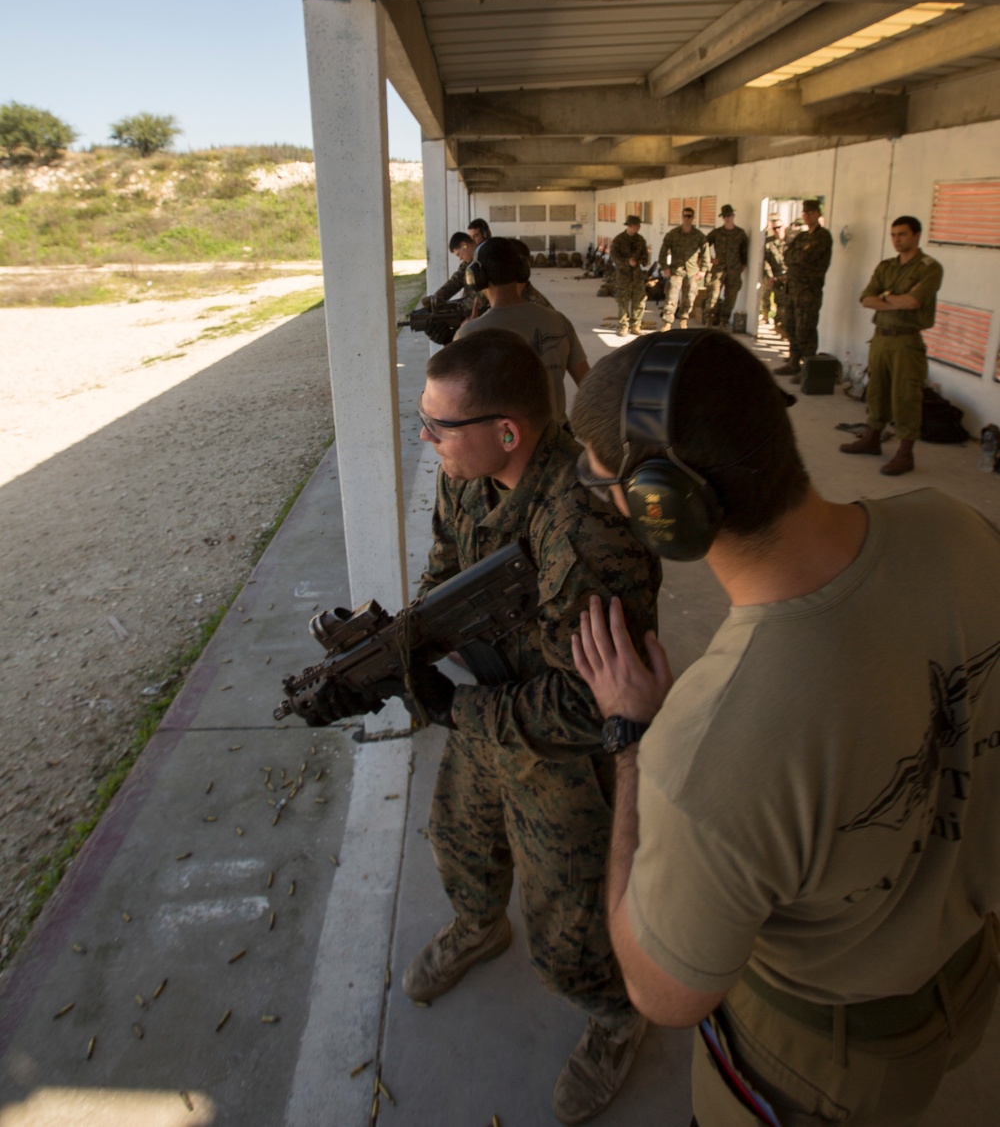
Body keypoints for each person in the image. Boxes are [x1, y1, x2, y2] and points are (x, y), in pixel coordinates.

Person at [567, 328, 1000, 1127]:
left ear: (664, 508)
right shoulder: (961, 527)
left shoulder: (705, 753)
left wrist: (632, 740)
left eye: (607, 489)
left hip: (824, 1058)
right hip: (969, 976)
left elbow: (663, 993)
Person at [403, 329, 663, 1124]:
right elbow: (447, 568)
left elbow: (599, 703)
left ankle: (618, 1015)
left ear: (506, 432)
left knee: (571, 934)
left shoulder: (583, 526)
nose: (426, 438)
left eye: (439, 427)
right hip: (494, 705)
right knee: (459, 838)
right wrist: (405, 640)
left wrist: (460, 709)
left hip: (564, 752)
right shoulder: (467, 477)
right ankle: (479, 927)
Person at [841, 216, 944, 477]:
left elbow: (914, 303)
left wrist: (884, 297)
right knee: (877, 390)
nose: (897, 240)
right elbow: (866, 299)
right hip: (881, 338)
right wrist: (893, 298)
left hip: (907, 340)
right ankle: (872, 438)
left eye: (903, 234)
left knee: (906, 396)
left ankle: (905, 452)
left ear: (917, 235)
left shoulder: (929, 268)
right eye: (894, 235)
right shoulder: (886, 266)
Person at [454, 238, 589, 426]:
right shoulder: (559, 321)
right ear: (522, 271)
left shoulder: (469, 335)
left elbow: (455, 403)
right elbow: (589, 386)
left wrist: (459, 338)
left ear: (477, 277)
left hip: (503, 448)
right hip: (556, 441)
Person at [776, 199, 833, 379]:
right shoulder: (802, 236)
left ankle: (808, 368)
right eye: (805, 213)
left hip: (808, 291)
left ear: (818, 214)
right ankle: (793, 362)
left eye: (811, 212)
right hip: (793, 288)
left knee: (806, 329)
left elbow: (803, 258)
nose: (807, 216)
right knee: (791, 326)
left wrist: (796, 257)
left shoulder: (822, 236)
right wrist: (796, 257)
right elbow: (787, 256)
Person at [657, 207, 710, 331]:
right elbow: (663, 251)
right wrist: (665, 267)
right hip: (676, 271)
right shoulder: (673, 234)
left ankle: (683, 320)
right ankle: (668, 322)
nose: (687, 218)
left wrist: (703, 270)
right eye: (685, 216)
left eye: (689, 216)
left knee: (689, 298)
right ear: (682, 217)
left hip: (692, 272)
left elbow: (705, 251)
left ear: (693, 218)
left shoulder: (698, 235)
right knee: (671, 297)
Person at [704, 205, 748, 329]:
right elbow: (704, 245)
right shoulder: (717, 233)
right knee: (713, 295)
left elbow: (744, 251)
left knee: (731, 297)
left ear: (733, 216)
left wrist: (743, 265)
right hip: (718, 270)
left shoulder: (740, 233)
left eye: (729, 215)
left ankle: (724, 321)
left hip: (734, 270)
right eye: (725, 216)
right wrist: (711, 259)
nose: (727, 218)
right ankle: (709, 320)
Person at [609, 214, 649, 336]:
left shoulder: (641, 240)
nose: (638, 227)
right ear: (629, 226)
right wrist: (627, 262)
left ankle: (636, 325)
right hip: (623, 275)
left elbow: (645, 257)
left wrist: (641, 262)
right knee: (623, 301)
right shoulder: (619, 240)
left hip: (637, 276)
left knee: (639, 301)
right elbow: (614, 257)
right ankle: (624, 326)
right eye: (636, 225)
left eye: (639, 225)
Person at [422, 231, 478, 316]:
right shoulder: (467, 264)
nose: (460, 258)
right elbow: (455, 282)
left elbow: (480, 298)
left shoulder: (483, 259)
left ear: (464, 245)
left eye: (459, 254)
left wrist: (453, 307)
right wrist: (436, 298)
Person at [760, 216, 787, 331]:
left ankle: (780, 325)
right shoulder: (768, 243)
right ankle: (766, 316)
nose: (777, 230)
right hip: (773, 274)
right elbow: (765, 261)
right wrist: (770, 276)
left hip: (786, 276)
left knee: (783, 301)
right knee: (765, 296)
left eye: (779, 227)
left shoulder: (790, 242)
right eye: (774, 228)